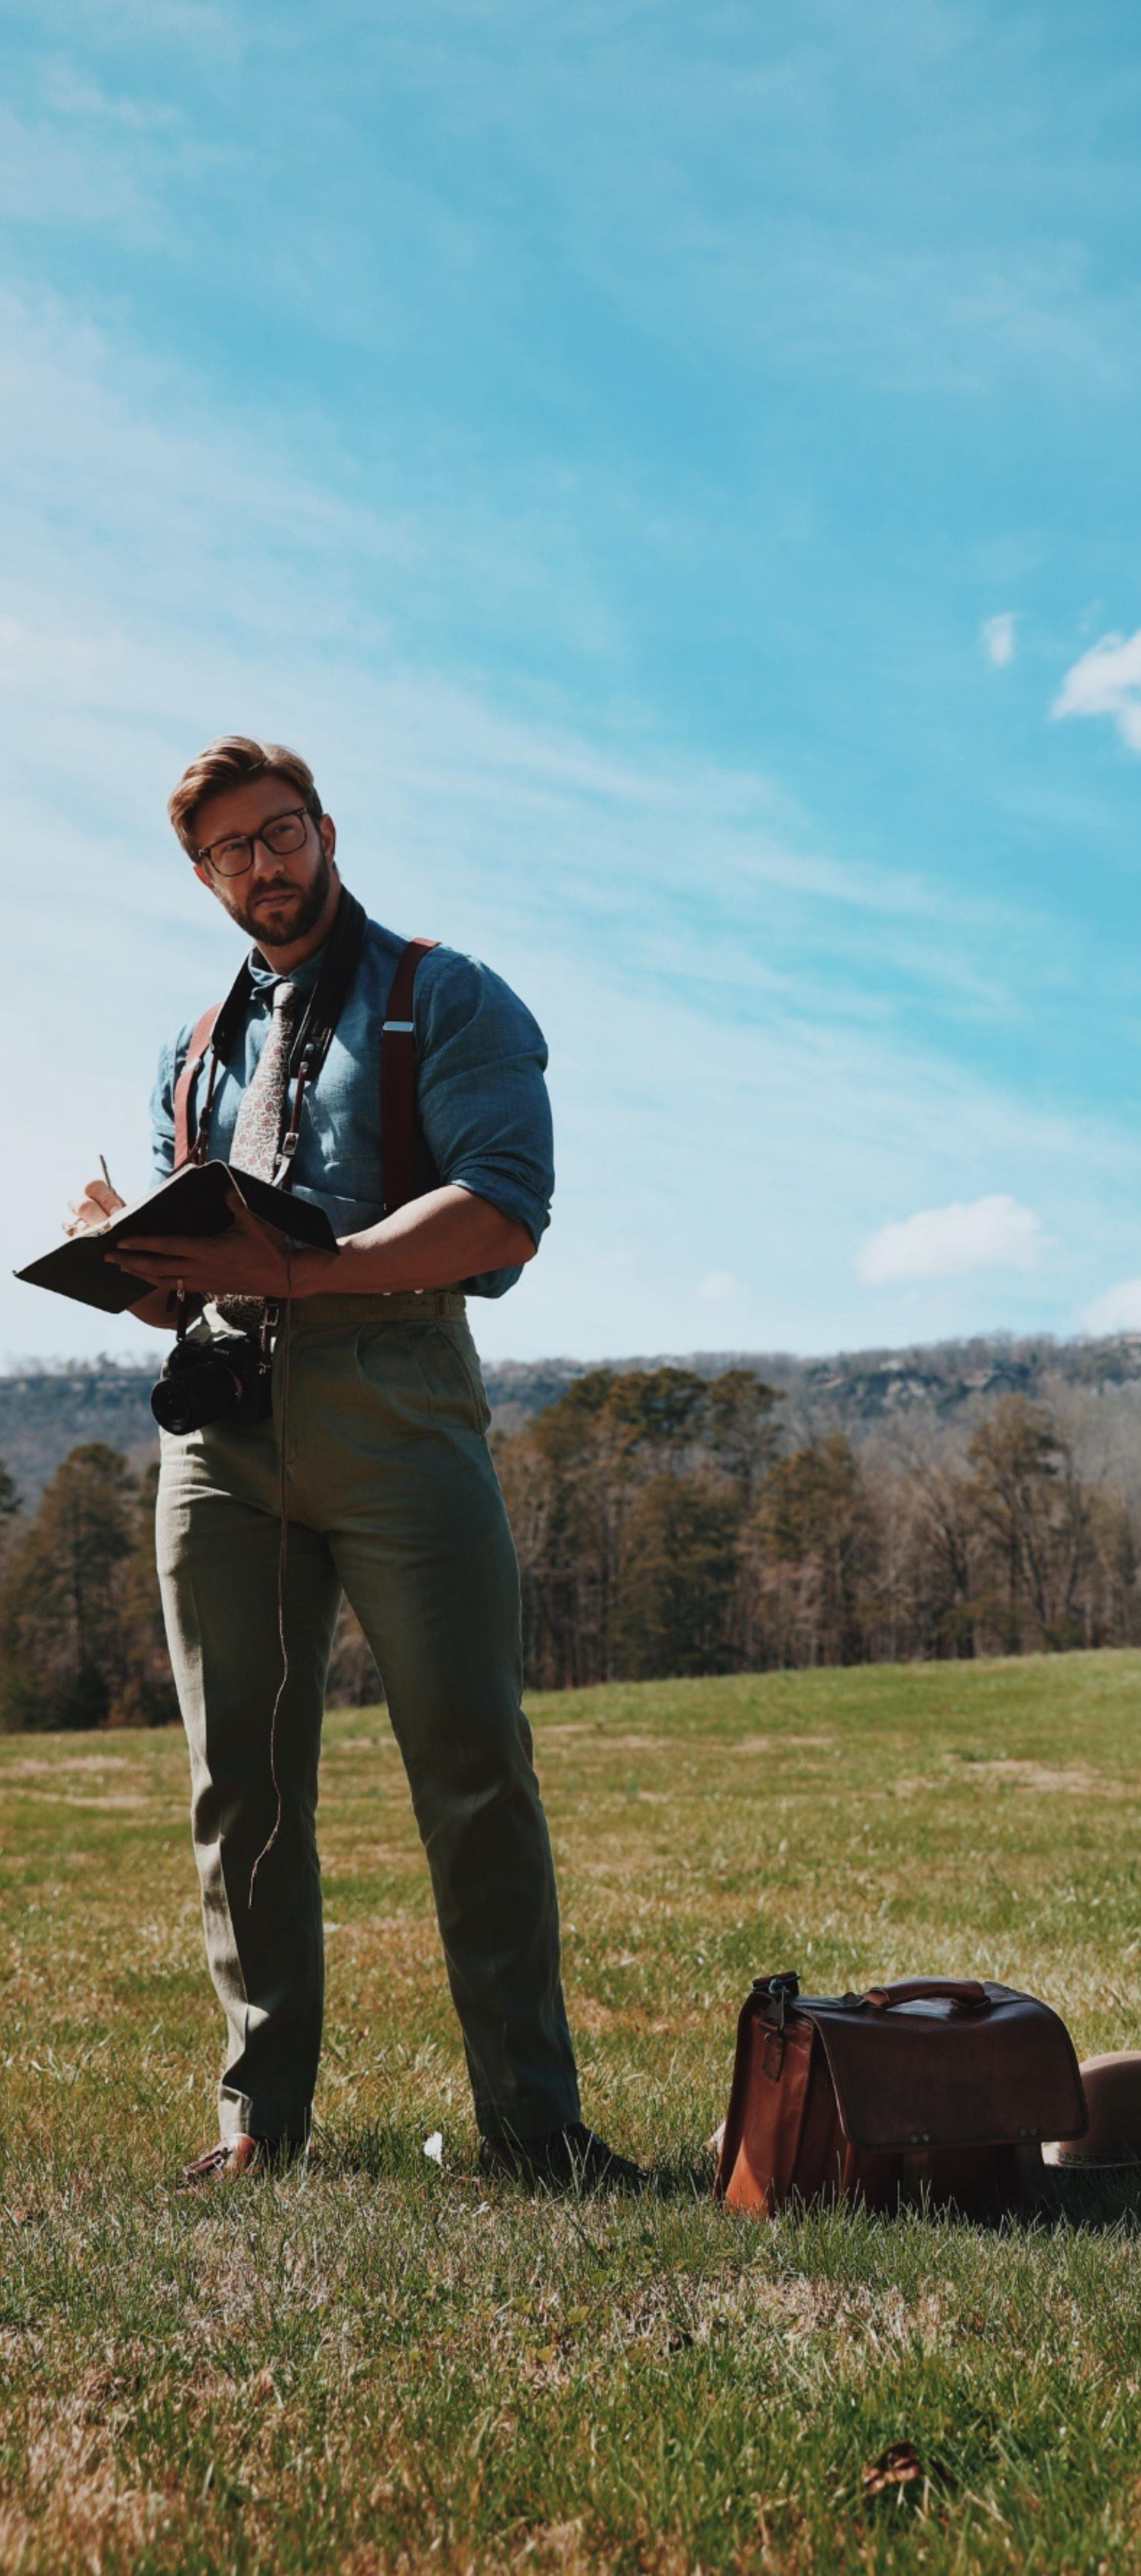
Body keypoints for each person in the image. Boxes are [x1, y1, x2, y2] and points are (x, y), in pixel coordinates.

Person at [71, 734, 640, 2193]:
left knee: (471, 1761)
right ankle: (261, 2124)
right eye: (227, 854)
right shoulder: (194, 1050)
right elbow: (201, 1262)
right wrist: (130, 1251)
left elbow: (504, 1209)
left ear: (326, 828)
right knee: (240, 1785)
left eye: (278, 835)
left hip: (398, 1408)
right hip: (223, 1431)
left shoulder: (446, 995)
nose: (260, 868)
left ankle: (532, 2127)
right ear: (200, 876)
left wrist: (310, 1273)